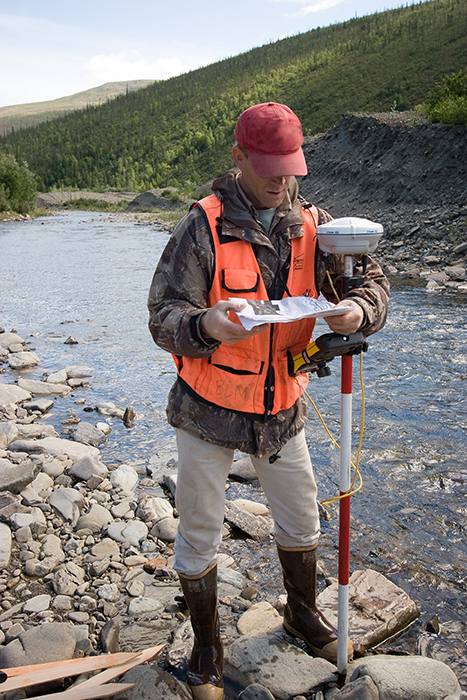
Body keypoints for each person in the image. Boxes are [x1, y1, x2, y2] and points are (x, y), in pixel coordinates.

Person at [148, 102, 389, 700]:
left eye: (292, 168)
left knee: (303, 518)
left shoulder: (315, 224)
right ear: (238, 160)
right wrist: (206, 325)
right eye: (270, 169)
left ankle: (300, 614)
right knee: (200, 530)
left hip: (283, 409)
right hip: (208, 411)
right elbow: (162, 317)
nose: (283, 182)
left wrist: (358, 309)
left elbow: (372, 283)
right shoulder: (200, 227)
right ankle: (207, 647)